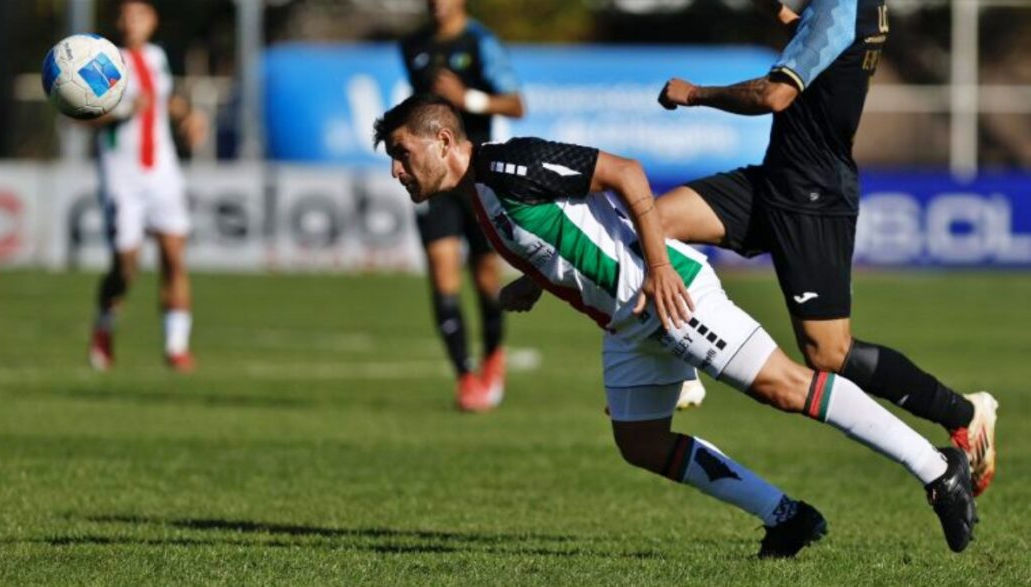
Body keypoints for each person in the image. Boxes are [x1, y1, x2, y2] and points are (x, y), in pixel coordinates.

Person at [372, 94, 979, 555]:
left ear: (444, 140)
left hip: (666, 295)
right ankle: (788, 517)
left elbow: (626, 174)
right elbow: (573, 228)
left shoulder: (510, 166)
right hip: (629, 322)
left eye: (402, 153)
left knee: (787, 387)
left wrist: (660, 268)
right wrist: (536, 281)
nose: (398, 170)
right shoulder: (480, 194)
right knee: (640, 443)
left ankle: (935, 469)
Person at [655, 0, 998, 495]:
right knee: (656, 223)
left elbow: (774, 95)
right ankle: (681, 368)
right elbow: (817, 35)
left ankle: (963, 413)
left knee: (829, 353)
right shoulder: (848, 7)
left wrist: (695, 94)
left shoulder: (839, 6)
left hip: (813, 200)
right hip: (773, 182)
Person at [398, 0, 525, 411]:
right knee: (442, 272)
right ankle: (465, 377)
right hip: (432, 182)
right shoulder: (412, 45)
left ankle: (493, 357)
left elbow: (515, 104)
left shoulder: (481, 42)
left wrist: (467, 99)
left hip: (474, 177)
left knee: (486, 277)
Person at [88, 0, 208, 372]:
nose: (129, 22)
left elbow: (165, 99)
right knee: (126, 266)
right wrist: (124, 110)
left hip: (162, 170)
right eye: (123, 15)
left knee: (174, 255)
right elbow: (83, 114)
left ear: (152, 22)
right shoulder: (102, 61)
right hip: (122, 174)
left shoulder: (156, 57)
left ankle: (176, 347)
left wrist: (188, 114)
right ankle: (104, 325)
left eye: (137, 15)